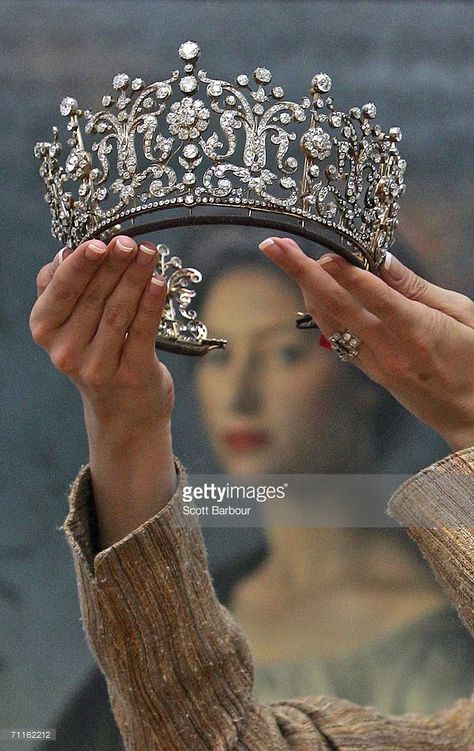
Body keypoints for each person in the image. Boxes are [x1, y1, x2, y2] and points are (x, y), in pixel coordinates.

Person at [29, 233, 474, 749]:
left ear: (366, 368)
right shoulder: (202, 608)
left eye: (283, 353)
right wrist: (124, 420)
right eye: (218, 356)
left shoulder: (444, 613)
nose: (241, 396)